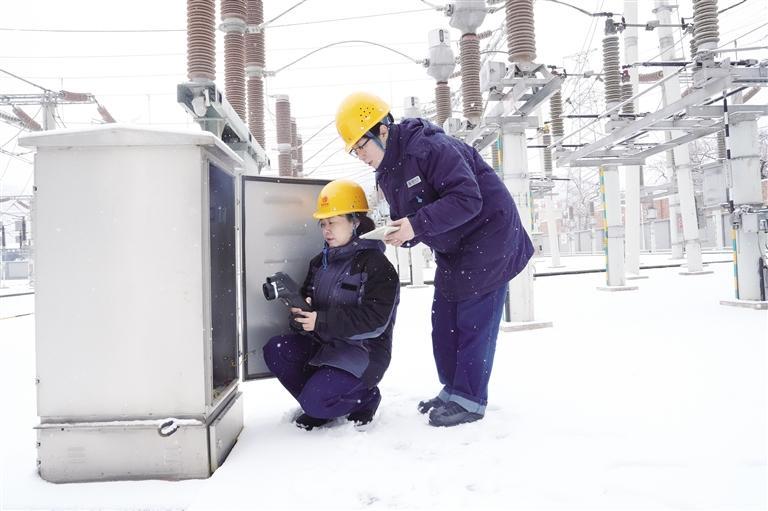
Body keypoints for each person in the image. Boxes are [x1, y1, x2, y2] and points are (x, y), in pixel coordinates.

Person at [335, 92, 534, 427]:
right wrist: (402, 233)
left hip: (489, 238)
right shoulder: (386, 173)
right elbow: (413, 218)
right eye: (353, 150)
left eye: (361, 145)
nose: (359, 156)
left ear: (382, 131)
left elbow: (467, 198)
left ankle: (469, 399)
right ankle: (453, 389)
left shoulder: (431, 147)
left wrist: (417, 224)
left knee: (473, 322)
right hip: (454, 248)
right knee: (444, 322)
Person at [262, 179, 400, 431]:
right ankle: (321, 400)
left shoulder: (377, 266)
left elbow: (375, 322)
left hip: (363, 353)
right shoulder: (319, 263)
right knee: (277, 349)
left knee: (316, 402)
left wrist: (321, 320)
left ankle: (364, 398)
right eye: (323, 223)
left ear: (355, 222)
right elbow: (306, 315)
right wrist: (300, 317)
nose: (326, 230)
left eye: (333, 222)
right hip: (325, 347)